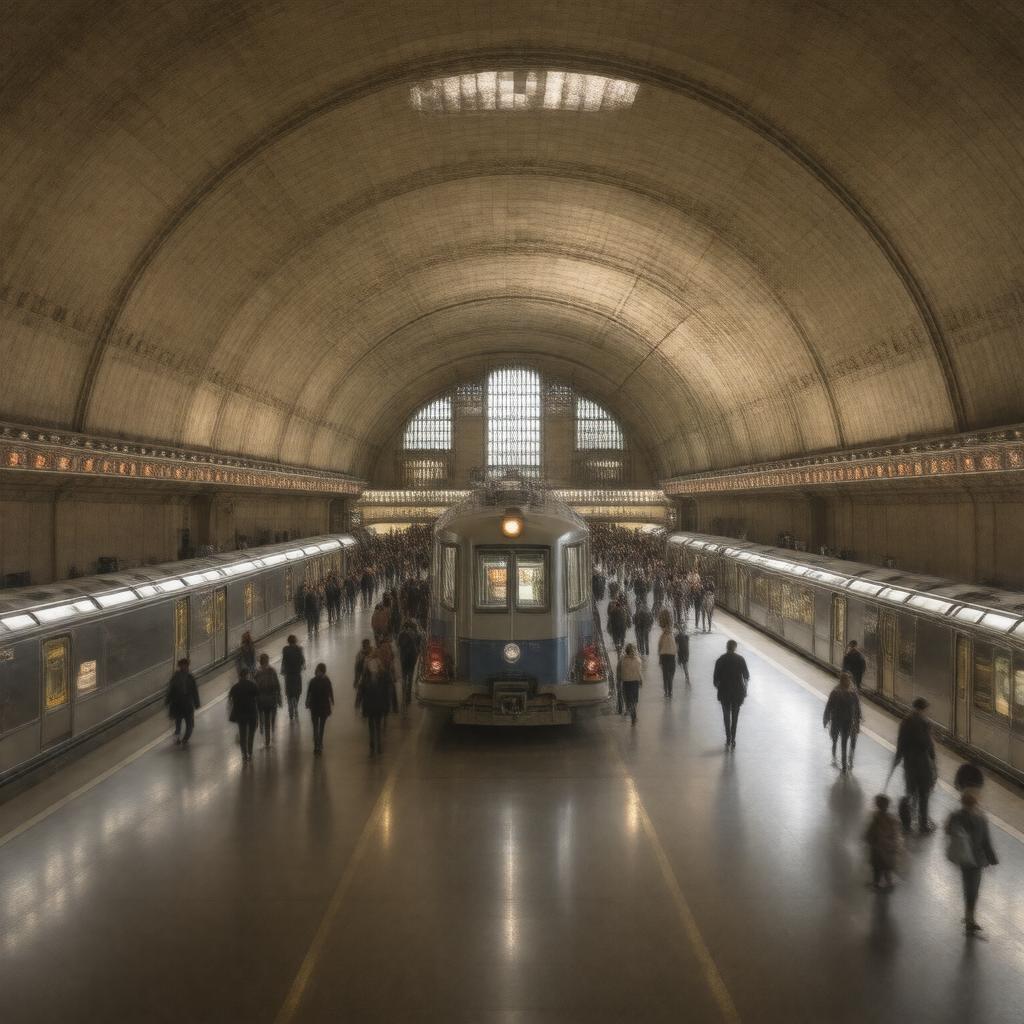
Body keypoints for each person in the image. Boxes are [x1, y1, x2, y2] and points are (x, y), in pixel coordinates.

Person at [945, 791, 998, 935]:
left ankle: (969, 916)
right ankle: (970, 919)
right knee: (973, 889)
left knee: (968, 887)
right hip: (976, 860)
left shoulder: (956, 816)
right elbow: (986, 841)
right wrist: (992, 858)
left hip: (964, 858)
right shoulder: (981, 818)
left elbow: (948, 831)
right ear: (975, 803)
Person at [893, 697, 937, 834]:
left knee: (910, 793)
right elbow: (928, 745)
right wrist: (934, 763)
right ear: (922, 709)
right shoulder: (925, 723)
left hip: (909, 764)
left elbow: (900, 743)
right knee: (924, 795)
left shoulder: (905, 722)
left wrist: (897, 758)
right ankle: (923, 824)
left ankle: (906, 822)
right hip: (923, 765)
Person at [713, 640, 749, 749]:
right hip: (738, 693)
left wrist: (720, 686)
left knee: (726, 716)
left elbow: (715, 680)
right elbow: (746, 677)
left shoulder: (720, 660)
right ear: (735, 648)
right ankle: (733, 739)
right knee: (735, 716)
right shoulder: (741, 659)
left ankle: (728, 738)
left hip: (724, 692)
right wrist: (745, 689)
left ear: (726, 647)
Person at [823, 671, 861, 772]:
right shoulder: (852, 693)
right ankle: (844, 765)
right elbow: (857, 709)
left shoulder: (835, 692)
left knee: (835, 739)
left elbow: (828, 706)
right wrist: (857, 721)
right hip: (847, 722)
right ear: (848, 681)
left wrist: (825, 719)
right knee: (844, 742)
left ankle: (835, 757)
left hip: (836, 720)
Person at [356, 652, 392, 756]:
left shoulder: (376, 676)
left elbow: (388, 691)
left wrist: (359, 702)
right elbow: (361, 690)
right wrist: (358, 702)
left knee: (375, 725)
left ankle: (376, 744)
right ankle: (374, 744)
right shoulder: (380, 675)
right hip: (373, 704)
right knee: (373, 726)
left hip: (375, 705)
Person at [863, 795, 901, 891]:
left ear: (877, 805)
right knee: (885, 867)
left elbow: (871, 832)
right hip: (887, 848)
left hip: (879, 848)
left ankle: (878, 883)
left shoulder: (876, 818)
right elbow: (894, 833)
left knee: (878, 867)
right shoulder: (890, 819)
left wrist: (868, 838)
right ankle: (887, 883)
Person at [164, 658, 200, 746]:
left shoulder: (190, 678)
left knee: (190, 725)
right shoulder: (176, 678)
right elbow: (171, 690)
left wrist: (196, 702)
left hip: (187, 704)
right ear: (180, 666)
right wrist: (168, 700)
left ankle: (184, 739)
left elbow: (194, 691)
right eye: (183, 665)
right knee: (178, 725)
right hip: (178, 704)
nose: (185, 667)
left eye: (186, 665)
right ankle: (178, 738)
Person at [228, 669, 260, 763]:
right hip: (251, 713)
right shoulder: (252, 685)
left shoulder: (235, 687)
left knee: (242, 735)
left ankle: (244, 754)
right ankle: (250, 752)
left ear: (239, 676)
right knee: (251, 734)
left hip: (240, 714)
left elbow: (230, 699)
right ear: (247, 675)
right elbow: (257, 697)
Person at [305, 662, 335, 755]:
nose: (318, 672)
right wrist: (332, 701)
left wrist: (307, 702)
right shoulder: (326, 681)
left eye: (318, 671)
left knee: (317, 727)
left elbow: (309, 693)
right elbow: (330, 693)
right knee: (319, 727)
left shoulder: (313, 681)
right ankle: (318, 744)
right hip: (322, 707)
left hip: (316, 707)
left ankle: (317, 745)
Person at [254, 653, 283, 748]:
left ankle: (264, 729)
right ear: (267, 661)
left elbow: (255, 687)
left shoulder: (257, 673)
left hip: (261, 699)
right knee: (270, 717)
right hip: (271, 699)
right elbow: (277, 685)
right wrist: (279, 698)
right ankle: (268, 735)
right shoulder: (272, 671)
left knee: (263, 716)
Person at [617, 643, 644, 724]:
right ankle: (633, 715)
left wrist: (618, 680)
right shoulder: (638, 660)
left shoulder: (622, 659)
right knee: (634, 700)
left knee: (628, 699)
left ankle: (632, 713)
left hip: (626, 682)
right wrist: (641, 680)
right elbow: (639, 672)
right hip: (635, 682)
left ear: (626, 651)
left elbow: (618, 670)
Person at [281, 635, 305, 721]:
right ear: (295, 641)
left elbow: (284, 661)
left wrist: (283, 670)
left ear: (288, 641)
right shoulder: (299, 649)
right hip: (297, 674)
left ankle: (290, 706)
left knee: (289, 691)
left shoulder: (285, 649)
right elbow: (302, 661)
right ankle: (295, 705)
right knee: (298, 691)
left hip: (288, 674)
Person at [397, 619, 421, 707]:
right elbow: (419, 645)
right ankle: (408, 696)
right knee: (410, 676)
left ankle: (403, 694)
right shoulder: (415, 633)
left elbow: (398, 644)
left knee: (404, 675)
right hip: (412, 657)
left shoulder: (401, 634)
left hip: (403, 657)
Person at [656, 609, 676, 698]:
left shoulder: (662, 636)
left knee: (665, 675)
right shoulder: (672, 636)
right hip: (671, 657)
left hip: (664, 656)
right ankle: (670, 691)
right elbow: (676, 648)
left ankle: (666, 691)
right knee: (671, 674)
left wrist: (659, 659)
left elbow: (659, 647)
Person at [674, 620, 691, 686]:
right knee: (684, 665)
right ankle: (687, 677)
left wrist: (677, 655)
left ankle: (687, 678)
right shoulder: (686, 636)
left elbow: (677, 647)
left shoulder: (678, 637)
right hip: (686, 653)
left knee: (684, 666)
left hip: (682, 653)